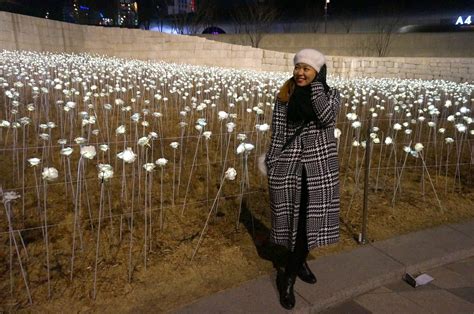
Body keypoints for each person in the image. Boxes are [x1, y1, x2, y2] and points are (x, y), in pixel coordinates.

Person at [265, 48, 340, 310]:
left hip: (320, 168)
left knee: (312, 219)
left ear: (317, 72)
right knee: (291, 219)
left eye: (307, 69)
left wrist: (317, 89)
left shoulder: (330, 95)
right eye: (298, 68)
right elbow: (278, 132)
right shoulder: (285, 95)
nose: (300, 73)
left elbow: (327, 118)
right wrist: (271, 161)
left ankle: (288, 277)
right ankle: (298, 263)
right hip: (290, 165)